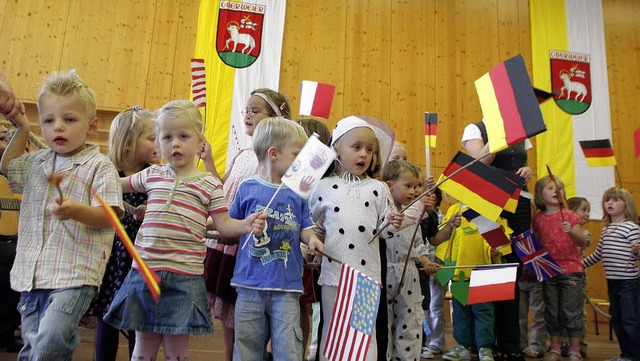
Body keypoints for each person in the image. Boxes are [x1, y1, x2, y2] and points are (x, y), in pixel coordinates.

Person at [103, 100, 266, 360]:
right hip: (146, 273)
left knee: (176, 350)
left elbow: (223, 225)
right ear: (159, 141)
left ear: (199, 141)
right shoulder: (152, 175)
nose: (175, 143)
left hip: (184, 278)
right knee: (142, 348)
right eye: (167, 137)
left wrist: (246, 225)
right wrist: (88, 174)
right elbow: (114, 183)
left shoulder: (209, 184)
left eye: (183, 136)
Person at [0, 69, 123, 360]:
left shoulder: (99, 166)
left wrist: (77, 211)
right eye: (49, 120)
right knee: (34, 347)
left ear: (92, 125)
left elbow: (110, 216)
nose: (58, 128)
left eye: (69, 120)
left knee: (49, 342)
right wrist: (24, 129)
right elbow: (7, 166)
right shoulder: (36, 162)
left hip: (74, 276)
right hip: (32, 274)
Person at [201, 88, 291, 361]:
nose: (248, 115)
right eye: (247, 110)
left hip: (249, 243)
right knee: (228, 313)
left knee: (243, 311)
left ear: (275, 117)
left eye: (256, 110)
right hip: (225, 236)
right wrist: (207, 159)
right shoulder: (242, 153)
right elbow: (222, 186)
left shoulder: (274, 159)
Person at [229, 117, 324, 361]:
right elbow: (229, 227)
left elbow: (305, 227)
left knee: (288, 348)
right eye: (296, 155)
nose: (302, 163)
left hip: (287, 286)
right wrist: (245, 225)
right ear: (273, 153)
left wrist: (312, 239)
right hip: (250, 284)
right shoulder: (247, 187)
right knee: (247, 347)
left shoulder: (297, 191)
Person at [309, 116, 403, 361]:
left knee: (364, 334)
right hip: (333, 275)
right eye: (357, 147)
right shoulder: (323, 186)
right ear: (337, 149)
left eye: (370, 150)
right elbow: (310, 224)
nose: (364, 154)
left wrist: (392, 223)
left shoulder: (379, 188)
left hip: (366, 277)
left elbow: (386, 231)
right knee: (333, 333)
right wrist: (310, 242)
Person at [85, 106, 157, 361]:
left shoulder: (155, 177)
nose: (158, 142)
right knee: (108, 317)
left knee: (138, 321)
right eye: (152, 137)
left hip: (141, 257)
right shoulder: (107, 174)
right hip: (112, 257)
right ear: (128, 143)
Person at [462, 119, 532, 361]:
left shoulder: (522, 131)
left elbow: (522, 164)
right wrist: (499, 133)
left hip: (519, 201)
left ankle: (511, 343)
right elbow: (480, 163)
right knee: (490, 267)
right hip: (491, 200)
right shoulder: (475, 129)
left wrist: (528, 172)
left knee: (513, 268)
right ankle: (484, 342)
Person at [381, 159, 442, 360]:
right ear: (389, 186)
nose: (414, 191)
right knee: (383, 324)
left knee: (410, 323)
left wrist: (425, 261)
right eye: (408, 186)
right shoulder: (381, 212)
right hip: (383, 272)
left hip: (409, 274)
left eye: (417, 186)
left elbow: (418, 243)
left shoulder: (416, 215)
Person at [435, 203, 506, 361]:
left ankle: (485, 347)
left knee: (484, 312)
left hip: (482, 272)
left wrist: (494, 251)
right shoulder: (454, 210)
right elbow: (445, 238)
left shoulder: (490, 209)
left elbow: (495, 239)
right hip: (459, 272)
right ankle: (463, 346)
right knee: (460, 312)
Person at [532, 176, 587, 361]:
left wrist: (571, 230)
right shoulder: (538, 218)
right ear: (540, 194)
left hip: (571, 270)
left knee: (571, 311)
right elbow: (538, 244)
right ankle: (555, 348)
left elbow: (582, 241)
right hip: (549, 271)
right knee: (552, 311)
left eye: (560, 187)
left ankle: (574, 349)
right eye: (550, 187)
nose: (556, 190)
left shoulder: (570, 215)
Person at [583, 187, 640, 361]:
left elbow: (638, 255)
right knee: (617, 320)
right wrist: (578, 265)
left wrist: (637, 251)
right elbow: (598, 254)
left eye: (615, 200)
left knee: (630, 321)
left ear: (627, 205)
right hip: (612, 282)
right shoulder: (606, 229)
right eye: (608, 200)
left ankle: (634, 355)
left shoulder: (631, 228)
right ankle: (626, 354)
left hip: (628, 283)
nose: (610, 203)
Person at [296, 117, 330, 360]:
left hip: (309, 256)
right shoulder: (289, 178)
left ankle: (301, 352)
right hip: (288, 252)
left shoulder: (324, 184)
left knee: (303, 308)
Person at [566, 196, 592, 358]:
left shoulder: (585, 233)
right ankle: (563, 342)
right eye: (583, 210)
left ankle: (580, 343)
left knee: (578, 311)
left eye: (588, 210)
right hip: (564, 274)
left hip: (578, 276)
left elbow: (583, 243)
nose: (587, 214)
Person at [424, 188, 448, 358]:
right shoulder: (420, 216)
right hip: (423, 268)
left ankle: (437, 341)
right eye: (427, 194)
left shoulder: (443, 218)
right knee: (424, 308)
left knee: (436, 307)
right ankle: (425, 341)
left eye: (433, 195)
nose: (430, 197)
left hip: (439, 267)